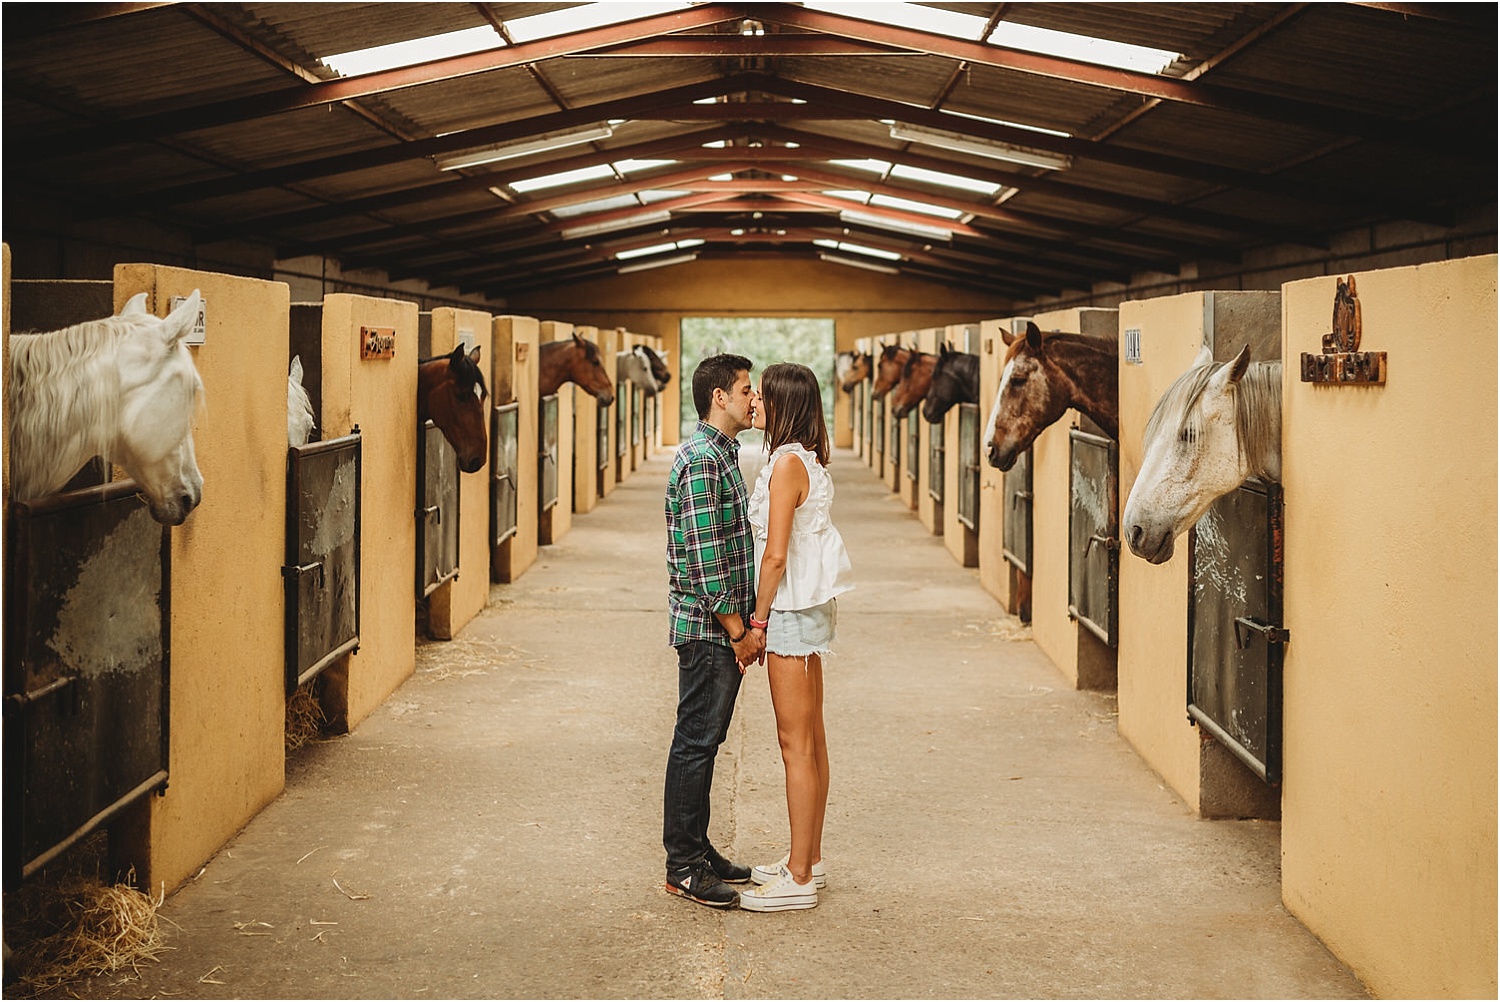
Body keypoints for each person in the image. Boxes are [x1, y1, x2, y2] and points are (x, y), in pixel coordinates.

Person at [737, 362, 853, 913]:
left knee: (795, 745)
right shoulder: (804, 459)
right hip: (809, 611)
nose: (753, 401)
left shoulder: (786, 465)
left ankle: (800, 876)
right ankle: (808, 857)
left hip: (787, 613)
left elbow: (775, 556)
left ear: (782, 404)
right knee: (813, 739)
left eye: (761, 395)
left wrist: (756, 624)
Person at [662, 353, 765, 908]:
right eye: (747, 389)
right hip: (708, 630)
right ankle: (683, 866)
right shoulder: (704, 460)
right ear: (719, 397)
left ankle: (697, 850)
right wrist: (738, 630)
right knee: (696, 741)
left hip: (714, 628)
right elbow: (704, 562)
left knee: (704, 739)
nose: (755, 399)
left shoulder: (721, 452)